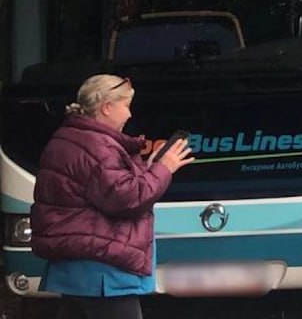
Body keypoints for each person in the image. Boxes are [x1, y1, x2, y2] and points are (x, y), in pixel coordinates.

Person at [31, 74, 195, 319]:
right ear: (106, 107)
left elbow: (108, 187)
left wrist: (150, 168)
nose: (129, 115)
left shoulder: (69, 138)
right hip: (104, 271)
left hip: (76, 268)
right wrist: (164, 168)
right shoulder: (98, 146)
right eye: (126, 106)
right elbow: (128, 198)